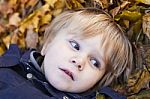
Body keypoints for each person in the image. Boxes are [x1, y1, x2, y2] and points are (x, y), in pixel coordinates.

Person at [0, 8, 133, 99]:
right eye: (75, 46)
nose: (79, 61)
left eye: (95, 62)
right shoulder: (6, 71)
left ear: (99, 81)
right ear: (48, 44)